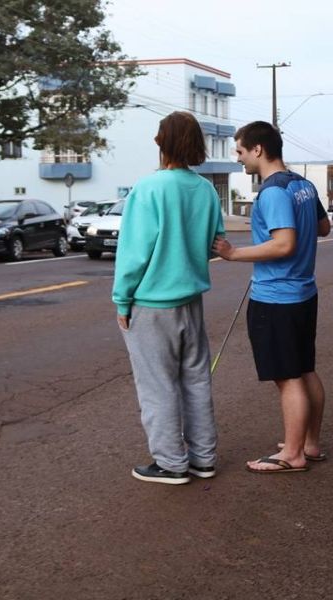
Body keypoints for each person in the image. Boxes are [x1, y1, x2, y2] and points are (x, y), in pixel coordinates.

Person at [113, 111, 226, 485]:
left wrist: (122, 300)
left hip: (152, 304)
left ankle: (170, 463)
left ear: (161, 142)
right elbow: (215, 241)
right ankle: (203, 459)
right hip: (191, 302)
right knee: (196, 381)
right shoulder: (207, 190)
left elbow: (134, 253)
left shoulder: (148, 189)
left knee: (158, 386)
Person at [213, 121, 331, 474]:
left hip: (277, 297)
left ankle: (292, 454)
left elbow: (284, 243)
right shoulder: (303, 185)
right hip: (303, 292)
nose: (238, 159)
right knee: (304, 368)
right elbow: (323, 228)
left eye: (239, 151)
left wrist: (234, 254)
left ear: (258, 149)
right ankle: (308, 444)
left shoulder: (273, 191)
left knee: (288, 376)